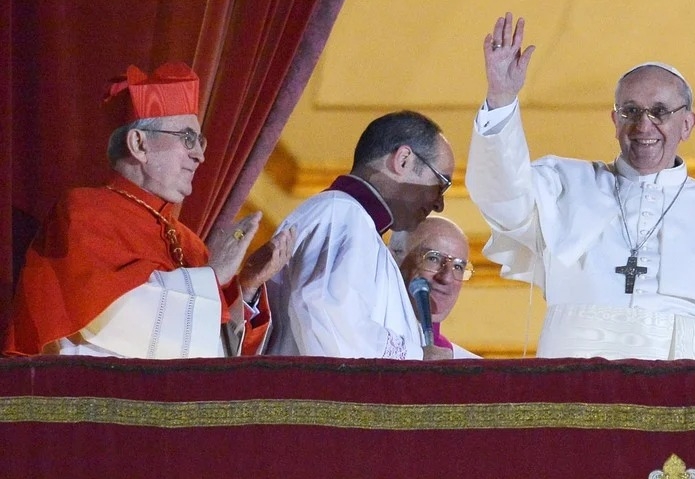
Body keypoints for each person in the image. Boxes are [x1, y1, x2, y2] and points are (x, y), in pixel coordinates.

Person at [465, 13, 695, 360]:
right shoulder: (564, 187)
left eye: (660, 112)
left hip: (682, 400)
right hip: (573, 392)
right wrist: (501, 98)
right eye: (630, 111)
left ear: (687, 124)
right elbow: (501, 196)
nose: (643, 125)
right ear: (615, 121)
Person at [5, 62, 293, 358]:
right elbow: (114, 321)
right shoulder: (84, 214)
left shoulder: (190, 243)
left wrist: (244, 287)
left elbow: (215, 357)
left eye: (201, 141)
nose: (200, 155)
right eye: (187, 138)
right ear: (139, 144)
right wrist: (213, 276)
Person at [264, 110, 455, 360]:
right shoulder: (340, 213)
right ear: (404, 160)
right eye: (441, 184)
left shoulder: (358, 223)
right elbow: (327, 314)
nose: (439, 204)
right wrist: (417, 357)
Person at [392, 215, 481, 359]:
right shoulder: (366, 337)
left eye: (458, 267)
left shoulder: (466, 365)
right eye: (433, 258)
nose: (446, 278)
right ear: (394, 257)